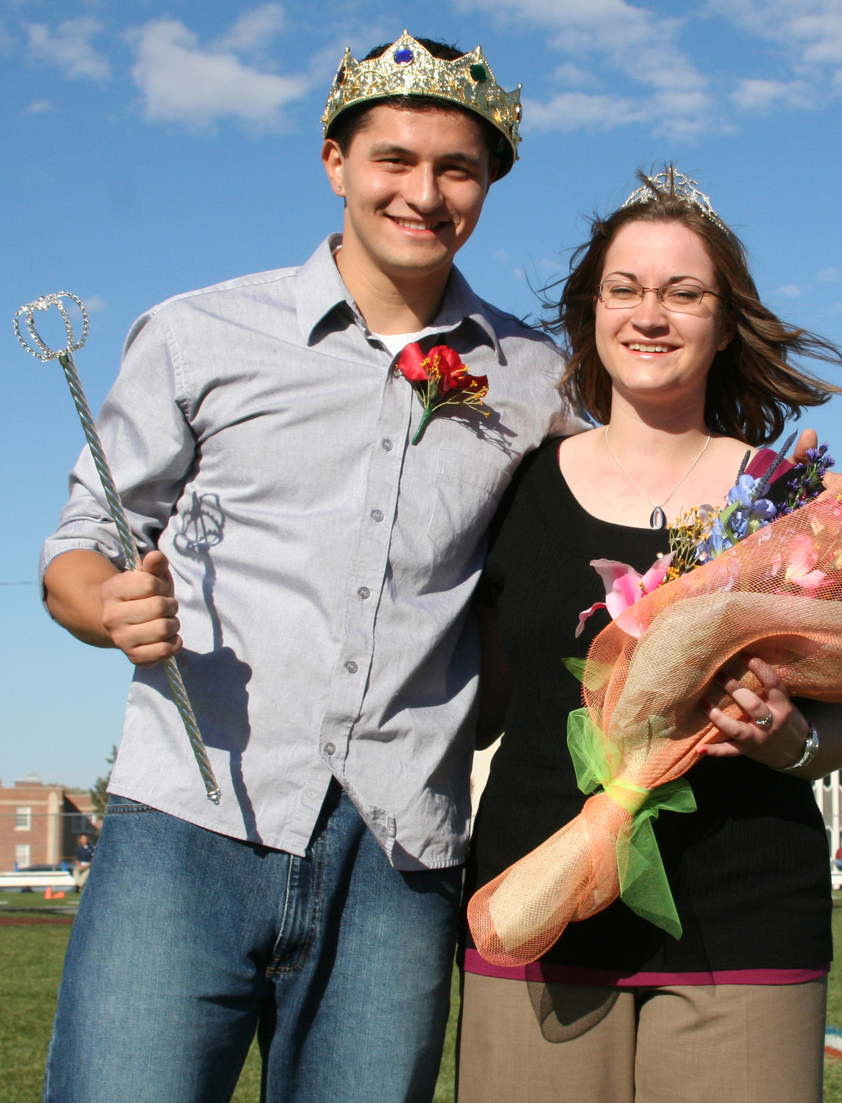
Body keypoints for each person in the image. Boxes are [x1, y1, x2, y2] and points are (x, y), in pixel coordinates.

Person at [38, 33, 578, 1103]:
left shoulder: (534, 380)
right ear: (335, 163)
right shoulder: (198, 334)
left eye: (457, 169)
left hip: (400, 852)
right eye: (393, 159)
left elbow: (566, 563)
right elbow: (78, 547)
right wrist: (108, 607)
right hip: (188, 825)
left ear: (488, 185)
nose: (422, 193)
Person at [457, 168, 842, 1103]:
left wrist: (786, 738)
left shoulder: (790, 498)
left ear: (725, 323)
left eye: (684, 294)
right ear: (591, 311)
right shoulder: (514, 484)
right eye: (626, 289)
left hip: (744, 927)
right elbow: (482, 694)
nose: (652, 315)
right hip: (539, 907)